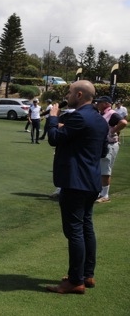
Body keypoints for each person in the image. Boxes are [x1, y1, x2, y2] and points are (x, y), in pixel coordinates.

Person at [46, 80, 108, 294]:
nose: (67, 95)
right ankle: (87, 274)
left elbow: (53, 138)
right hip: (91, 181)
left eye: (70, 92)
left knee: (74, 231)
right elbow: (101, 151)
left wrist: (53, 118)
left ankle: (75, 280)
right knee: (86, 227)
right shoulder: (99, 119)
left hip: (75, 181)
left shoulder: (79, 117)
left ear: (79, 95)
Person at [93, 96, 127, 203]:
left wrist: (112, 132)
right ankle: (100, 192)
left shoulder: (112, 113)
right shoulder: (102, 114)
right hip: (103, 144)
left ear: (106, 103)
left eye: (99, 102)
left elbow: (123, 122)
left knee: (105, 170)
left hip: (110, 145)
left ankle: (105, 195)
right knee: (100, 169)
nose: (97, 104)